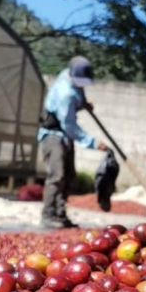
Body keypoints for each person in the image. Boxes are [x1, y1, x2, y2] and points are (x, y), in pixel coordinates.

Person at [38, 56, 108, 229]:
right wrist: (91, 142)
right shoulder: (65, 93)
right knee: (57, 175)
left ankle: (61, 214)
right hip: (54, 136)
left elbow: (77, 98)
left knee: (69, 176)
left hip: (65, 137)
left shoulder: (70, 79)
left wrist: (82, 104)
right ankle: (48, 214)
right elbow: (69, 125)